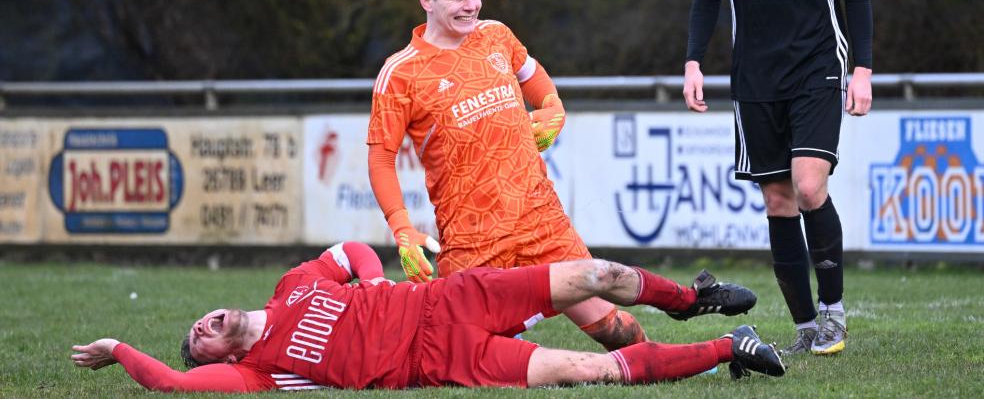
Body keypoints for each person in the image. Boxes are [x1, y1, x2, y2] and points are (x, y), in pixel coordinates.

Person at [367, 0, 650, 351]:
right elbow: (380, 159)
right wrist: (402, 229)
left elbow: (534, 76)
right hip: (474, 235)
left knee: (612, 326)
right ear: (426, 1)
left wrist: (553, 107)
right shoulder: (401, 73)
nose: (472, 6)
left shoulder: (495, 34)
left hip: (540, 217)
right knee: (457, 349)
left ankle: (686, 364)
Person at [72, 242, 783, 391]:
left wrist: (377, 285)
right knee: (589, 369)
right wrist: (117, 347)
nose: (198, 329)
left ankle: (693, 301)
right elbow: (170, 386)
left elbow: (349, 251)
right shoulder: (259, 372)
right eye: (197, 343)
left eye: (194, 326)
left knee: (599, 275)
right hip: (441, 362)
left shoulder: (293, 285)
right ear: (221, 360)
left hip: (451, 298)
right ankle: (731, 347)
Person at [682, 0, 873, 356]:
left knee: (810, 187)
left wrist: (862, 70)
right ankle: (805, 327)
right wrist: (694, 60)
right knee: (779, 199)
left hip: (816, 71)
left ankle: (833, 313)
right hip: (754, 80)